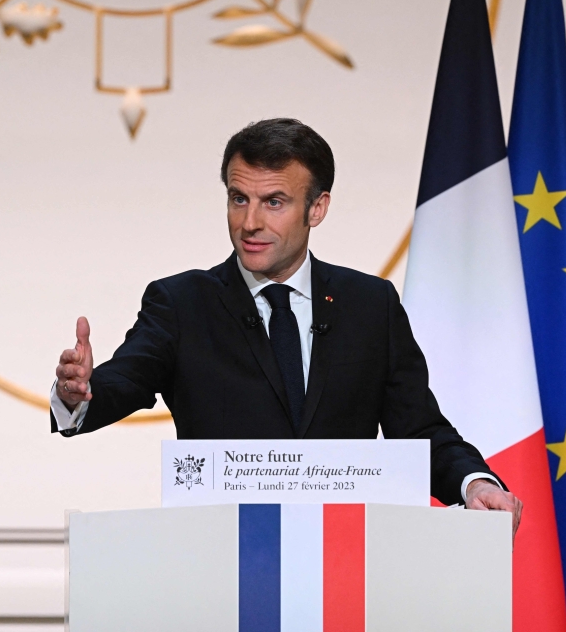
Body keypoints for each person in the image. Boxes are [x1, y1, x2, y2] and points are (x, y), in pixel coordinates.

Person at [51, 118, 522, 526]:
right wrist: (79, 392)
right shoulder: (182, 302)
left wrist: (473, 483)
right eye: (239, 199)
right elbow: (126, 379)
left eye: (273, 202)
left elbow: (418, 430)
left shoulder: (370, 305)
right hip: (223, 567)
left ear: (317, 208)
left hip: (345, 571)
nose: (250, 222)